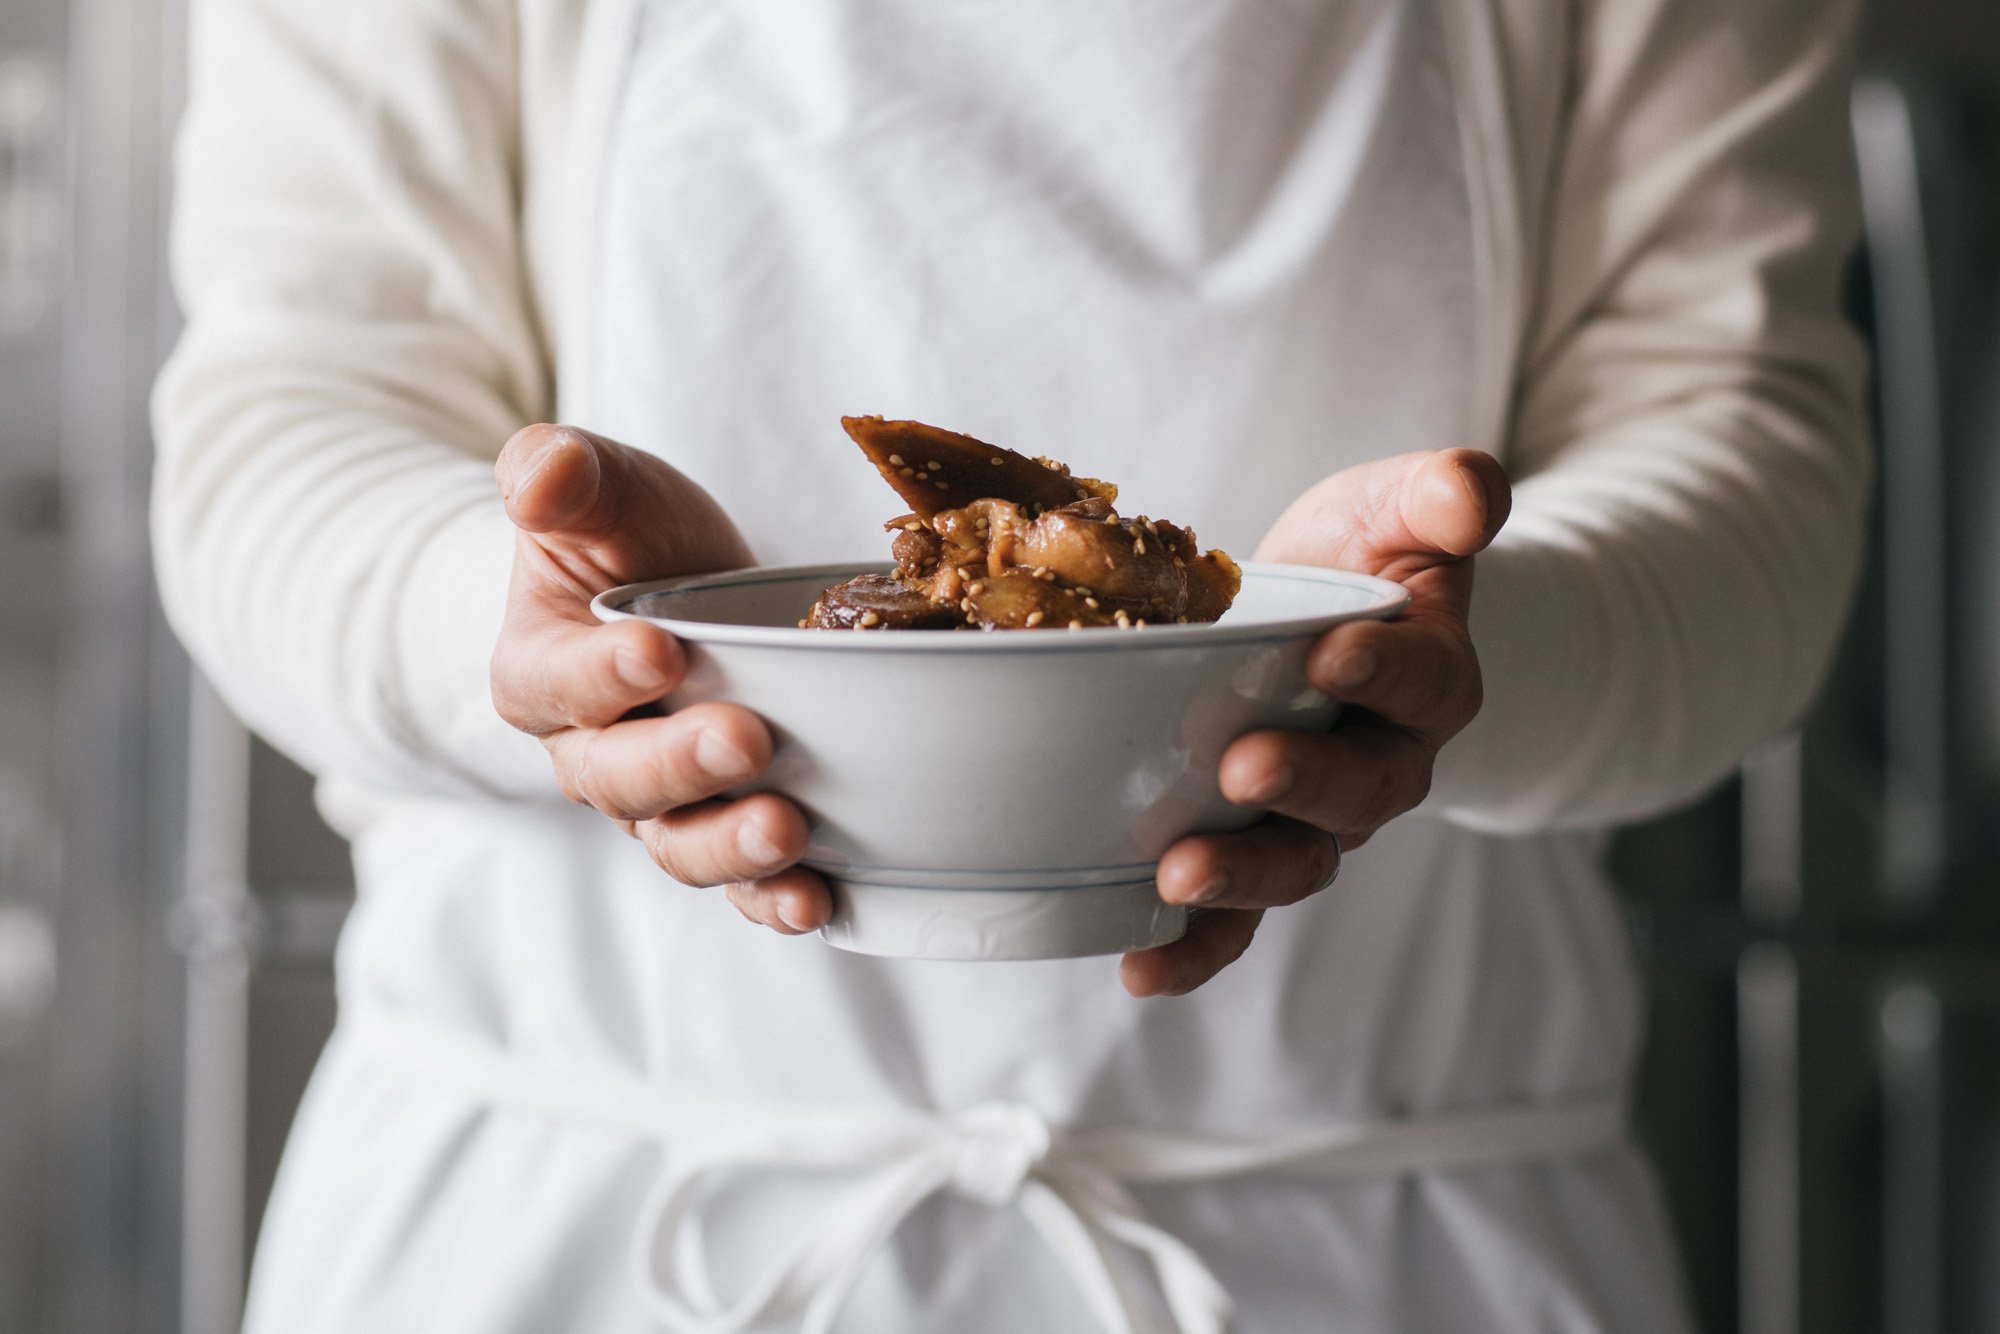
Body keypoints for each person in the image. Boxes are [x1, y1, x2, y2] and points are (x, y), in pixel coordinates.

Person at [152, 0, 1868, 1328]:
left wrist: (1458, 645)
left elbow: (1744, 457)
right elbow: (287, 425)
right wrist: (527, 636)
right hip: (590, 1218)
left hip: (1377, 1233)